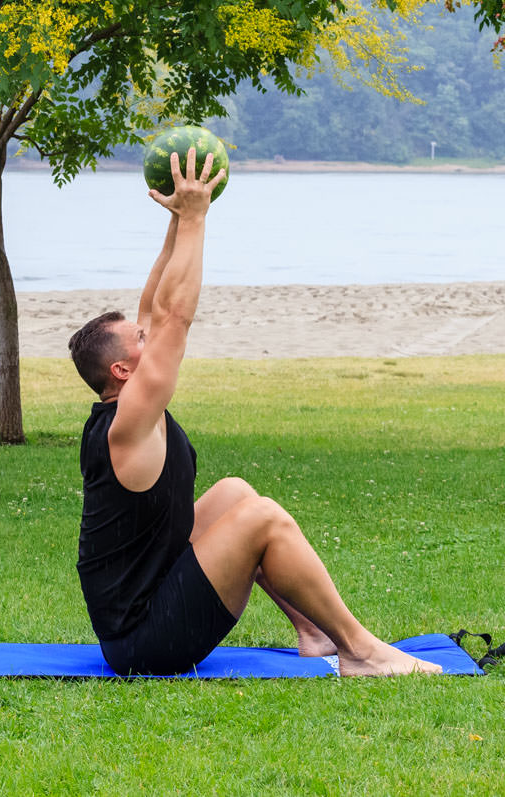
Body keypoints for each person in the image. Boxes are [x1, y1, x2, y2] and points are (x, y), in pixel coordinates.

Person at [67, 148, 442, 677]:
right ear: (125, 372)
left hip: (150, 602)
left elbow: (155, 305)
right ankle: (361, 651)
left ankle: (312, 632)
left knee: (237, 494)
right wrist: (198, 219)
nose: (147, 330)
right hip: (145, 642)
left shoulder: (126, 408)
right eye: (139, 339)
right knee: (262, 518)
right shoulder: (128, 425)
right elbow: (174, 317)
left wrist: (178, 221)